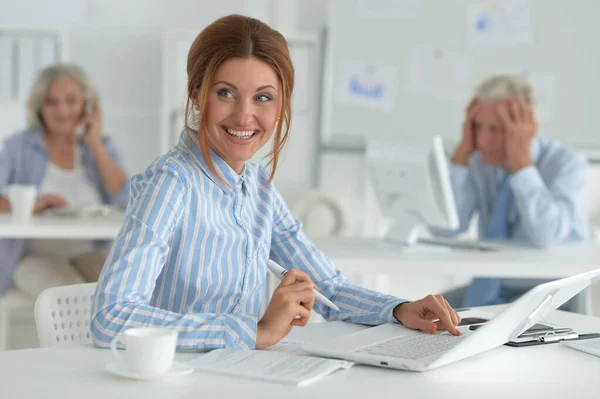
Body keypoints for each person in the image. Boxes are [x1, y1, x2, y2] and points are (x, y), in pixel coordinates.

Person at [90, 14, 461, 351]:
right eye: (225, 93)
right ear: (196, 96)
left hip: (242, 377)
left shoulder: (257, 186)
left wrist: (398, 309)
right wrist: (253, 331)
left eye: (263, 97)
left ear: (281, 104)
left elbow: (328, 286)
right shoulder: (170, 183)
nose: (244, 115)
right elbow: (112, 318)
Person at [432, 75, 589, 308]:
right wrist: (461, 156)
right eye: (477, 127)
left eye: (495, 128)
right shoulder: (478, 163)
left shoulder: (566, 163)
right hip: (490, 290)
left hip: (551, 294)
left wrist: (522, 166)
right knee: (424, 321)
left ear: (527, 127)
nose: (483, 140)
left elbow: (547, 235)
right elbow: (446, 229)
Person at [0, 64, 130, 298]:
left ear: (88, 106)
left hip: (90, 252)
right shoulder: (17, 147)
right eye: (51, 102)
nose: (62, 111)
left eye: (71, 101)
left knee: (120, 292)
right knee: (73, 298)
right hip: (32, 257)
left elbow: (126, 198)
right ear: (39, 106)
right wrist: (30, 206)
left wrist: (95, 144)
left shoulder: (101, 146)